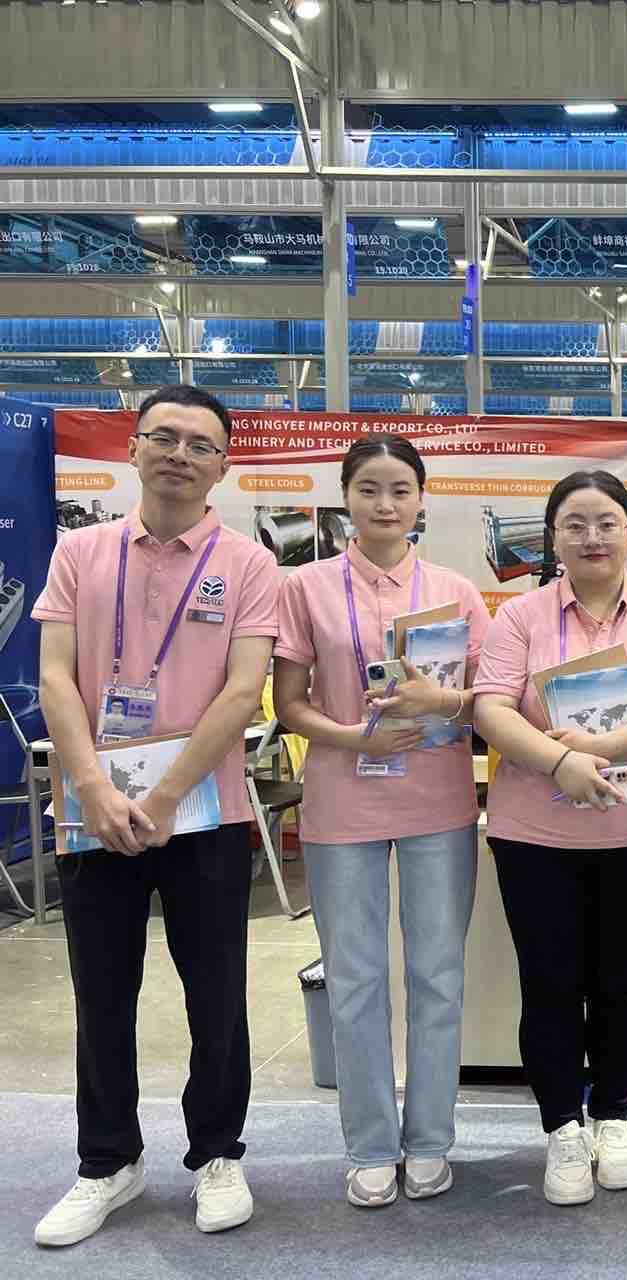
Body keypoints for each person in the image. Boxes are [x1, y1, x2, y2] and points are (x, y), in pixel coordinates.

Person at [31, 385, 280, 1247]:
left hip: (204, 811)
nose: (179, 454)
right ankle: (107, 1162)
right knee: (102, 994)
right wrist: (96, 787)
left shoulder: (248, 565)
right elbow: (55, 676)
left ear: (223, 463)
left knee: (216, 994)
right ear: (133, 451)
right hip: (93, 810)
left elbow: (244, 690)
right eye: (163, 438)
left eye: (200, 444)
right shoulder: (81, 552)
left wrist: (168, 792)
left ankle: (218, 1153)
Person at [272, 434, 491, 1209]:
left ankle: (429, 1139)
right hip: (342, 802)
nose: (386, 505)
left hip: (439, 800)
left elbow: (485, 701)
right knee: (356, 976)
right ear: (346, 497)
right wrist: (355, 735)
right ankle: (369, 1142)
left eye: (401, 490)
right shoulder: (305, 589)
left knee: (436, 974)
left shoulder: (458, 593)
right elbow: (290, 704)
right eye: (369, 489)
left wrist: (444, 705)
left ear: (422, 498)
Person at [472, 471, 627, 1207]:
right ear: (553, 538)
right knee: (549, 984)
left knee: (620, 983)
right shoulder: (520, 617)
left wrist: (603, 750)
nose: (592, 537)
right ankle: (563, 1126)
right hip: (534, 830)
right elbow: (490, 710)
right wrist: (561, 761)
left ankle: (614, 1116)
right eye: (575, 524)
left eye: (607, 522)